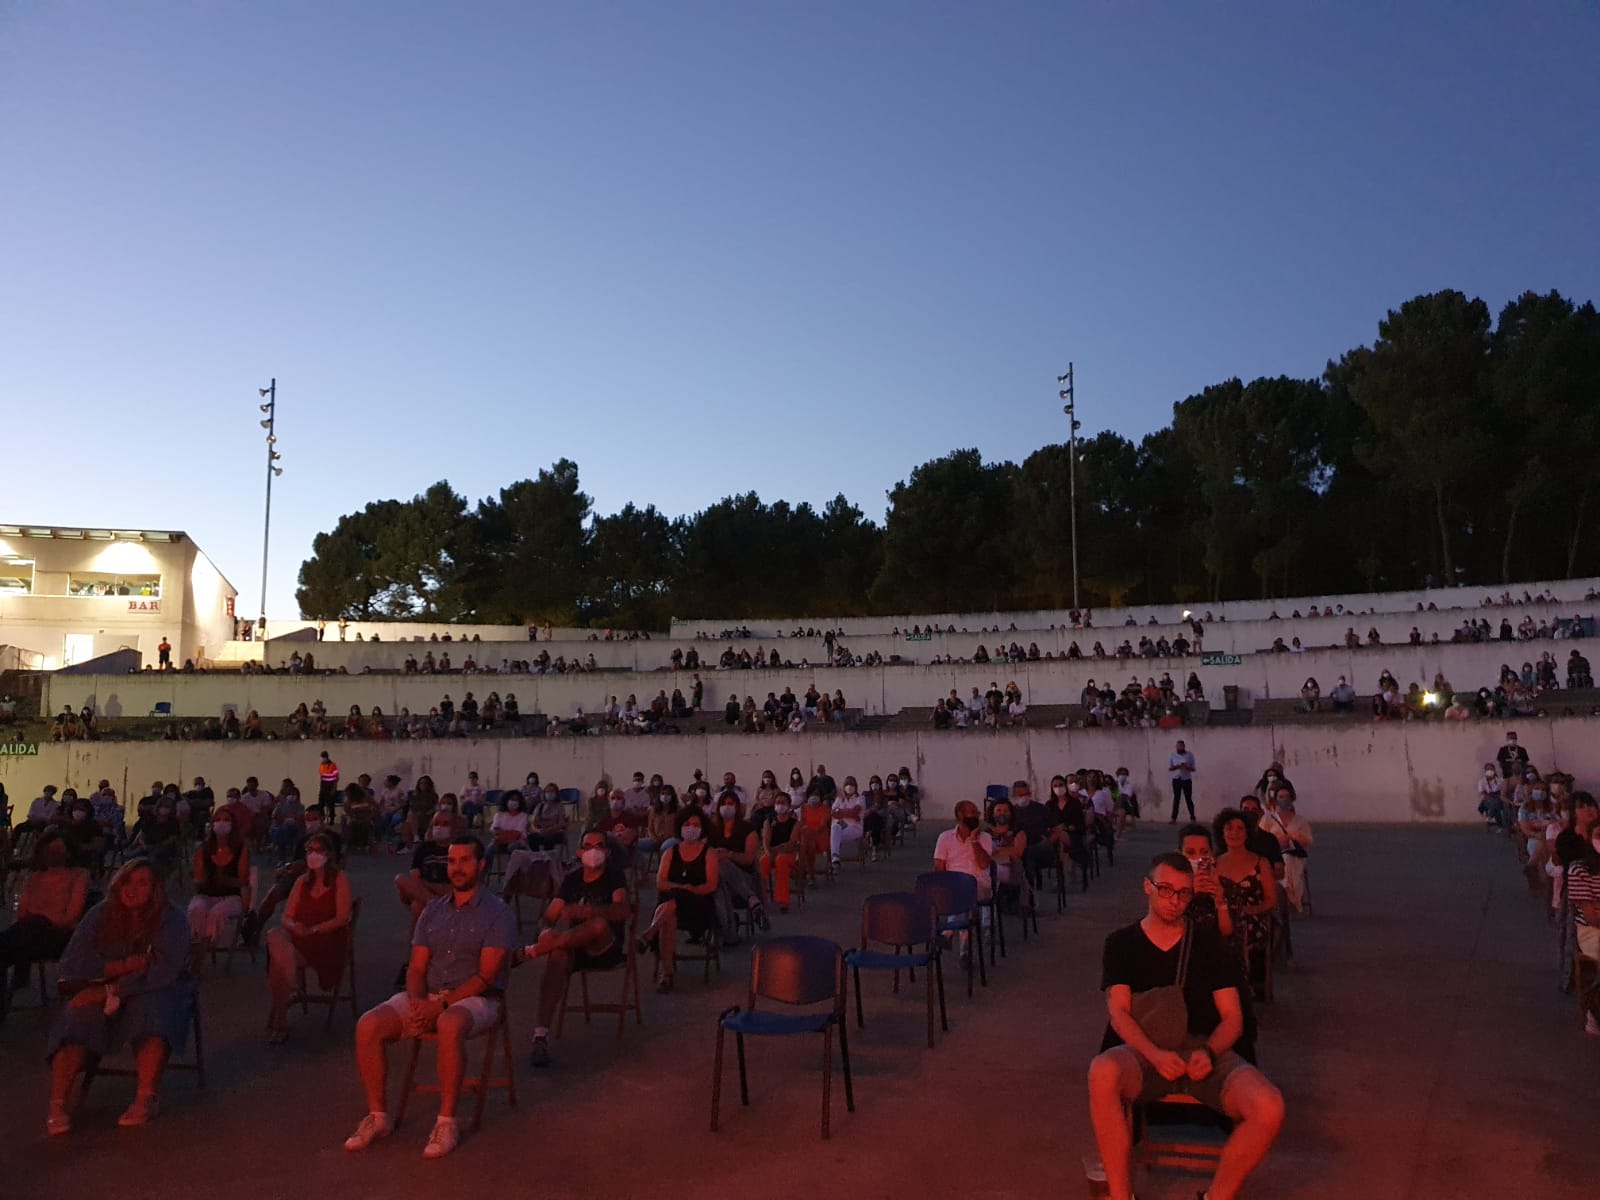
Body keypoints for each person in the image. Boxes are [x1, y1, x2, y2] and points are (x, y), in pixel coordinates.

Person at [1087, 853, 1283, 1200]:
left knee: (1269, 1106)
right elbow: (1119, 1013)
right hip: (1146, 1052)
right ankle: (1121, 1197)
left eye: (1183, 893)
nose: (1175, 901)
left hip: (1204, 1052)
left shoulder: (1208, 943)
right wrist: (1155, 1055)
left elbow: (1233, 1018)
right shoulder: (1122, 943)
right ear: (1148, 887)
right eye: (1165, 890)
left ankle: (1216, 1197)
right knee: (1102, 1072)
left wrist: (1209, 1053)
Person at [343, 837, 516, 1159]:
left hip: (477, 998)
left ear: (480, 865)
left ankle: (446, 1121)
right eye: (452, 861)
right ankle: (378, 1116)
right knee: (368, 1025)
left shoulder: (497, 913)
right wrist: (415, 1001)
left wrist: (442, 1004)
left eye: (465, 860)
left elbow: (486, 976)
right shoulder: (432, 912)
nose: (457, 868)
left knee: (450, 1024)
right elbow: (417, 966)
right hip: (430, 995)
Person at [46, 859, 194, 1135]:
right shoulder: (100, 914)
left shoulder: (170, 918)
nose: (132, 889)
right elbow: (74, 961)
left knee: (153, 1009)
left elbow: (163, 969)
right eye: (127, 881)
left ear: (155, 888)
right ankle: (57, 1102)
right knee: (78, 1014)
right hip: (109, 982)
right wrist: (121, 967)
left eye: (142, 883)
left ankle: (146, 1096)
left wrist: (113, 989)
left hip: (156, 987)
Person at [523, 829, 630, 1068]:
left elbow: (622, 911)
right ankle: (540, 1035)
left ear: (608, 851)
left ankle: (536, 951)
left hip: (605, 947)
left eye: (599, 845)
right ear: (580, 852)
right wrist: (545, 931)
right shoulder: (572, 878)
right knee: (558, 956)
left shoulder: (615, 877)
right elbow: (550, 915)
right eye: (588, 846)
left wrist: (588, 911)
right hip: (574, 946)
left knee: (599, 924)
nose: (593, 851)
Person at [265, 830, 354, 1043]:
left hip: (326, 939)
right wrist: (296, 927)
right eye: (309, 851)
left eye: (318, 851)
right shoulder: (301, 882)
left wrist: (314, 929)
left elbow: (342, 918)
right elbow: (287, 916)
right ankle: (287, 995)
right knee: (274, 934)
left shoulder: (340, 879)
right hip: (298, 938)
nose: (313, 855)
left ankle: (280, 1021)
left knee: (277, 963)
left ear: (329, 855)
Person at [0, 833, 89, 1021]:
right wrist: (41, 914)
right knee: (24, 930)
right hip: (28, 935)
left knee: (33, 923)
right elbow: (22, 912)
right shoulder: (35, 877)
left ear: (68, 853)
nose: (53, 855)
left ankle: (19, 974)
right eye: (49, 851)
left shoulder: (79, 875)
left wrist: (40, 914)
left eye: (58, 850)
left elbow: (69, 917)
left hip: (60, 937)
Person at [638, 808, 719, 993]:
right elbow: (660, 882)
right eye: (687, 824)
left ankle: (649, 935)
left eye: (696, 825)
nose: (691, 828)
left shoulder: (709, 854)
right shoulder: (670, 852)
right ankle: (667, 974)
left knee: (671, 902)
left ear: (702, 829)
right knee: (669, 913)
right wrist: (683, 888)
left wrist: (690, 890)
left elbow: (711, 885)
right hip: (672, 910)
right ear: (680, 827)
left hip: (698, 907)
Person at [1214, 808, 1280, 996]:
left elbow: (1271, 900)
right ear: (1222, 833)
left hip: (1253, 918)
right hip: (1223, 916)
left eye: (1239, 828)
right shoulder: (1215, 864)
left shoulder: (1262, 863)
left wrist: (1250, 910)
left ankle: (1242, 984)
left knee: (1242, 930)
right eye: (1229, 828)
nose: (1234, 833)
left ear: (1247, 833)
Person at [187, 810, 251, 946]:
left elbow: (243, 880)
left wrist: (227, 880)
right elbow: (198, 879)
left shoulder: (241, 849)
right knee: (196, 909)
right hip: (206, 894)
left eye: (226, 819)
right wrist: (198, 878)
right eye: (218, 819)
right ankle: (196, 945)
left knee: (216, 913)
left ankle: (205, 946)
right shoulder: (203, 849)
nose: (221, 823)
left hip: (231, 897)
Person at [397, 816, 455, 927]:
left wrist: (430, 885)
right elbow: (415, 878)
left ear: (452, 828)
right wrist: (430, 887)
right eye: (436, 824)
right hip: (426, 892)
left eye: (445, 824)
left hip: (449, 892)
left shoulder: (457, 848)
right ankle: (439, 909)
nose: (439, 827)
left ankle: (417, 941)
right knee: (400, 879)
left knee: (417, 906)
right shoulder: (424, 848)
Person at [933, 800, 994, 900]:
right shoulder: (945, 837)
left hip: (979, 884)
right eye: (973, 813)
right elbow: (939, 867)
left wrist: (974, 840)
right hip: (954, 884)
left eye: (977, 813)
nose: (976, 817)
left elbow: (984, 864)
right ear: (960, 815)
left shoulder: (985, 837)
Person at [759, 795, 801, 913]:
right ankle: (762, 898)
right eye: (778, 802)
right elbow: (765, 840)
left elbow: (791, 844)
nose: (780, 805)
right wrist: (769, 852)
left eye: (783, 802)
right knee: (763, 861)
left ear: (788, 805)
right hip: (771, 852)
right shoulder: (769, 821)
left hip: (788, 854)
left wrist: (776, 851)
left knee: (781, 860)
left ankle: (783, 901)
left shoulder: (795, 823)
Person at [829, 776, 865, 866]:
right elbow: (833, 813)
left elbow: (855, 811)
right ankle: (835, 856)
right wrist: (850, 813)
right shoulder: (839, 799)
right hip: (841, 826)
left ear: (856, 786)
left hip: (855, 828)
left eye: (852, 784)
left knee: (834, 837)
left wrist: (840, 812)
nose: (849, 787)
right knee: (834, 827)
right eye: (847, 784)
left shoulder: (860, 798)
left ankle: (833, 852)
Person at [1168, 739, 1197, 822]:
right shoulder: (1172, 755)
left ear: (1183, 746)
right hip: (1176, 779)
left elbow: (1193, 768)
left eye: (1180, 746)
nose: (1179, 748)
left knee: (1188, 798)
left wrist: (1186, 767)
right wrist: (1177, 766)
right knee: (1176, 799)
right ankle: (1173, 818)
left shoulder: (1190, 755)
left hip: (1186, 780)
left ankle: (1192, 817)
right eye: (1177, 746)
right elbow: (1170, 768)